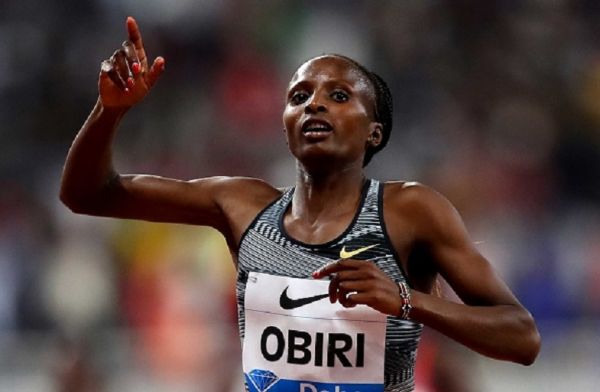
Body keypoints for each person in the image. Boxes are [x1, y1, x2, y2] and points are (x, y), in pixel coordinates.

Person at [60, 17, 541, 392]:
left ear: (374, 132)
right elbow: (85, 194)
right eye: (299, 96)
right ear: (286, 123)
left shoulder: (410, 211)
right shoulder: (241, 206)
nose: (315, 104)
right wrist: (110, 111)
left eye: (338, 95)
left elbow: (521, 337)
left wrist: (407, 301)